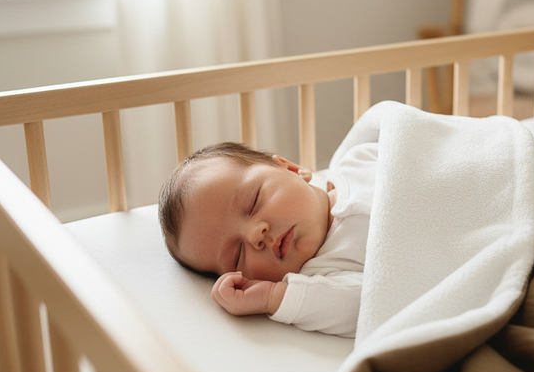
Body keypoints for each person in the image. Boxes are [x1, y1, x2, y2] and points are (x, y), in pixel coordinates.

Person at [158, 141, 376, 338]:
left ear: (291, 169)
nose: (255, 236)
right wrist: (270, 297)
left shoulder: (358, 162)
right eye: (237, 255)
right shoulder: (322, 280)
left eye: (253, 203)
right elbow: (372, 306)